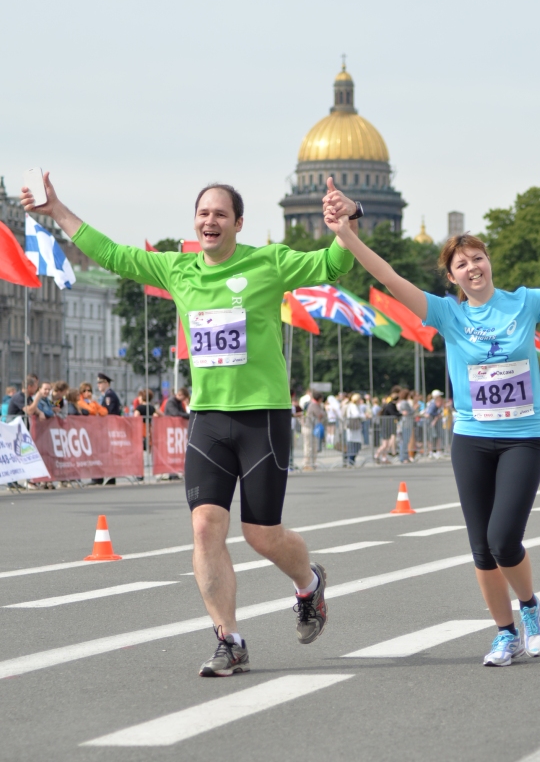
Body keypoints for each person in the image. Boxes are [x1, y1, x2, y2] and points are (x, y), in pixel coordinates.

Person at [22, 170, 359, 678]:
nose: (210, 221)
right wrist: (57, 210)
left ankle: (309, 583)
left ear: (238, 223)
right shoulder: (179, 270)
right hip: (207, 420)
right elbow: (112, 254)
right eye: (203, 214)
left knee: (261, 535)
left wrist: (346, 221)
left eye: (220, 214)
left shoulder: (268, 262)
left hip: (261, 419)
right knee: (204, 528)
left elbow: (333, 265)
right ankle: (229, 640)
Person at [324, 190, 540, 667]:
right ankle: (503, 633)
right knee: (481, 548)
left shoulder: (525, 304)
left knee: (504, 538)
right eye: (462, 264)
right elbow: (387, 276)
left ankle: (530, 610)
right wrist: (347, 235)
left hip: (521, 438)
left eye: (478, 258)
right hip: (471, 439)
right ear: (452, 277)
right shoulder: (447, 313)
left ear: (489, 263)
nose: (473, 268)